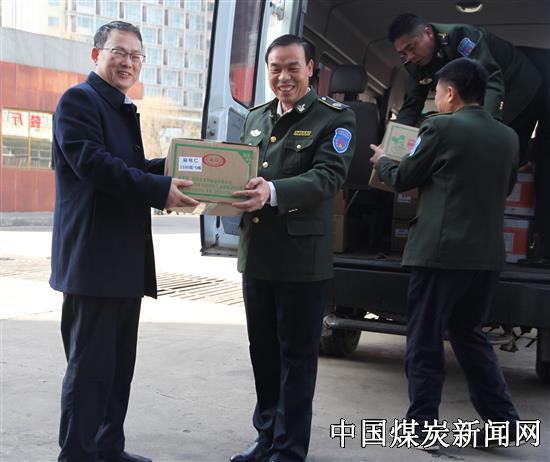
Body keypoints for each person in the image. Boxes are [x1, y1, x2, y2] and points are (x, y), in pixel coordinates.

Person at [50, 21, 198, 462]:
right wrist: (158, 188)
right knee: (90, 372)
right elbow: (95, 164)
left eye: (136, 56)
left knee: (117, 368)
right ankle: (78, 455)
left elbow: (129, 167)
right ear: (97, 55)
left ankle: (108, 449)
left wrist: (181, 166)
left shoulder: (120, 108)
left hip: (123, 265)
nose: (128, 62)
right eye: (119, 52)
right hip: (94, 263)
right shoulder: (79, 101)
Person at [369, 58, 520, 449]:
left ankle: (422, 427)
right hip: (486, 256)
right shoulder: (508, 137)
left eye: (436, 92)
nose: (435, 99)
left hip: (440, 253)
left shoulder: (439, 127)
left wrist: (382, 161)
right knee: (470, 335)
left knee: (425, 338)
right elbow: (505, 188)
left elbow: (405, 177)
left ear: (450, 93)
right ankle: (503, 422)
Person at [228, 35, 356, 462]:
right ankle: (266, 436)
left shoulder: (335, 118)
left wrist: (273, 191)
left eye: (292, 67)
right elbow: (241, 172)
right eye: (275, 68)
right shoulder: (256, 117)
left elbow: (328, 176)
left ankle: (289, 448)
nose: (283, 77)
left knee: (297, 359)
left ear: (311, 68)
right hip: (258, 255)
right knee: (263, 354)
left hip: (302, 262)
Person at [388, 13, 549, 264]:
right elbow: (411, 105)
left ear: (428, 33)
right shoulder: (415, 63)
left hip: (520, 89)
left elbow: (493, 79)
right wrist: (391, 145)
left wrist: (488, 126)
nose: (409, 56)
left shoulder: (461, 37)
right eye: (402, 53)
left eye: (411, 47)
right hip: (486, 95)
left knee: (492, 154)